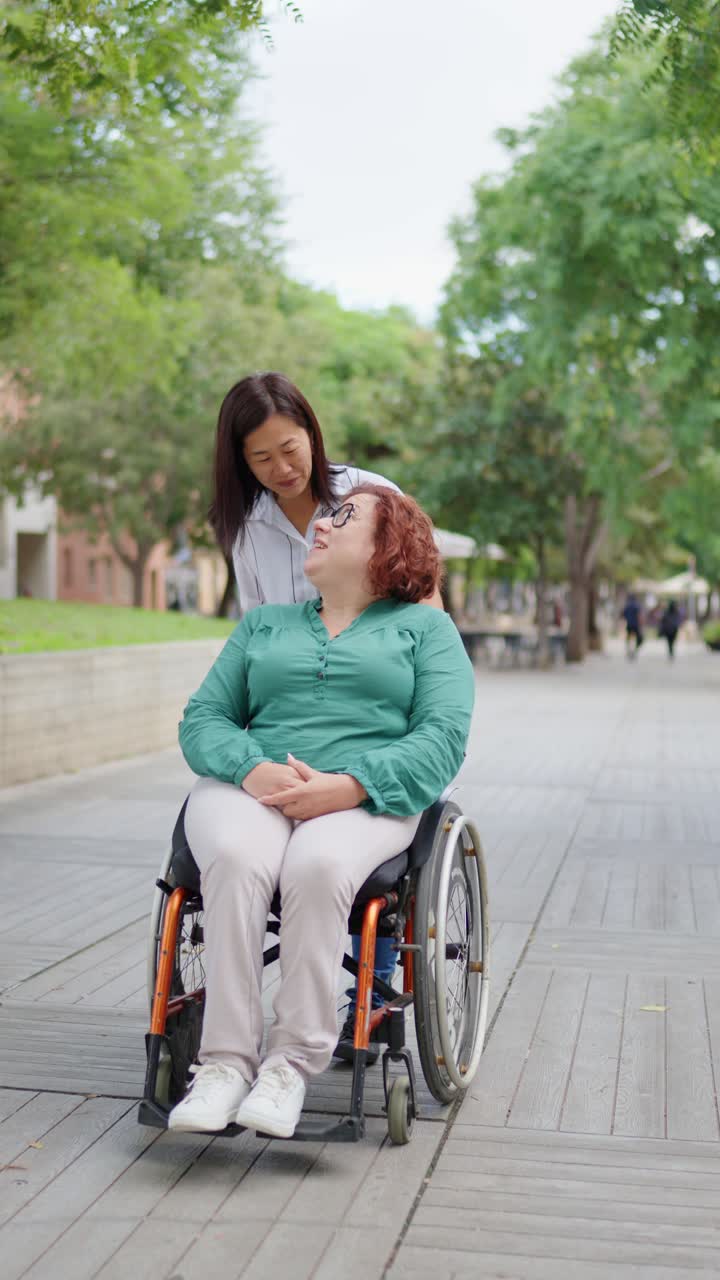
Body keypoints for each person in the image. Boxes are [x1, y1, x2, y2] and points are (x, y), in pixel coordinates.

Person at [167, 485, 475, 1137]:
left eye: (346, 516)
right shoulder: (263, 626)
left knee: (317, 863)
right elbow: (203, 719)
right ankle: (223, 1065)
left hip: (366, 796)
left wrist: (349, 785)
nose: (323, 524)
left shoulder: (428, 631)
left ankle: (288, 1067)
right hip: (254, 787)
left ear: (388, 544)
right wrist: (253, 768)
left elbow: (442, 739)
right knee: (235, 854)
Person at [210, 370, 444, 1062]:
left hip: (374, 723)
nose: (283, 469)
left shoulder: (370, 500)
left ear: (312, 434)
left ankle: (354, 999)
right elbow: (255, 640)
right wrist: (250, 759)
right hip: (285, 733)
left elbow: (425, 613)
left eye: (292, 448)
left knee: (330, 856)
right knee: (239, 844)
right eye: (262, 458)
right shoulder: (245, 530)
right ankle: (232, 1038)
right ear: (239, 461)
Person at [622, 593, 643, 658]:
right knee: (640, 638)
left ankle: (629, 650)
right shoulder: (636, 605)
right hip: (636, 624)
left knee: (628, 637)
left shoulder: (627, 605)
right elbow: (639, 615)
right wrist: (641, 623)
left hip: (629, 624)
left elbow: (623, 615)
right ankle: (634, 650)